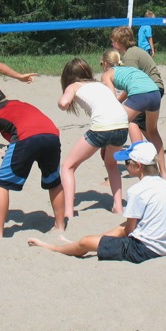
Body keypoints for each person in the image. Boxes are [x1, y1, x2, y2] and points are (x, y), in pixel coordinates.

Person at [27, 141, 166, 263]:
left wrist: (99, 241)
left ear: (138, 166)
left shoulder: (137, 191)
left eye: (127, 162)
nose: (125, 166)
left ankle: (54, 248)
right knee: (117, 229)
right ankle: (89, 241)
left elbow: (129, 231)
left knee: (86, 242)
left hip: (144, 249)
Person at [0, 87, 66, 236]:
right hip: (52, 136)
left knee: (2, 183)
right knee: (54, 181)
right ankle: (60, 225)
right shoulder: (19, 103)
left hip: (25, 138)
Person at [58, 58, 130, 219]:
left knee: (68, 166)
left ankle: (69, 211)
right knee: (111, 165)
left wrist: (64, 102)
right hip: (123, 125)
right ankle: (118, 206)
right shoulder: (100, 85)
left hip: (102, 128)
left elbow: (63, 103)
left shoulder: (73, 86)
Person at [100, 49, 166, 178]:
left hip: (140, 95)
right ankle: (164, 173)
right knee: (153, 132)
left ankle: (112, 176)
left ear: (104, 64)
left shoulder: (106, 74)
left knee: (116, 127)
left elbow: (111, 100)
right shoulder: (129, 69)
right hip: (155, 93)